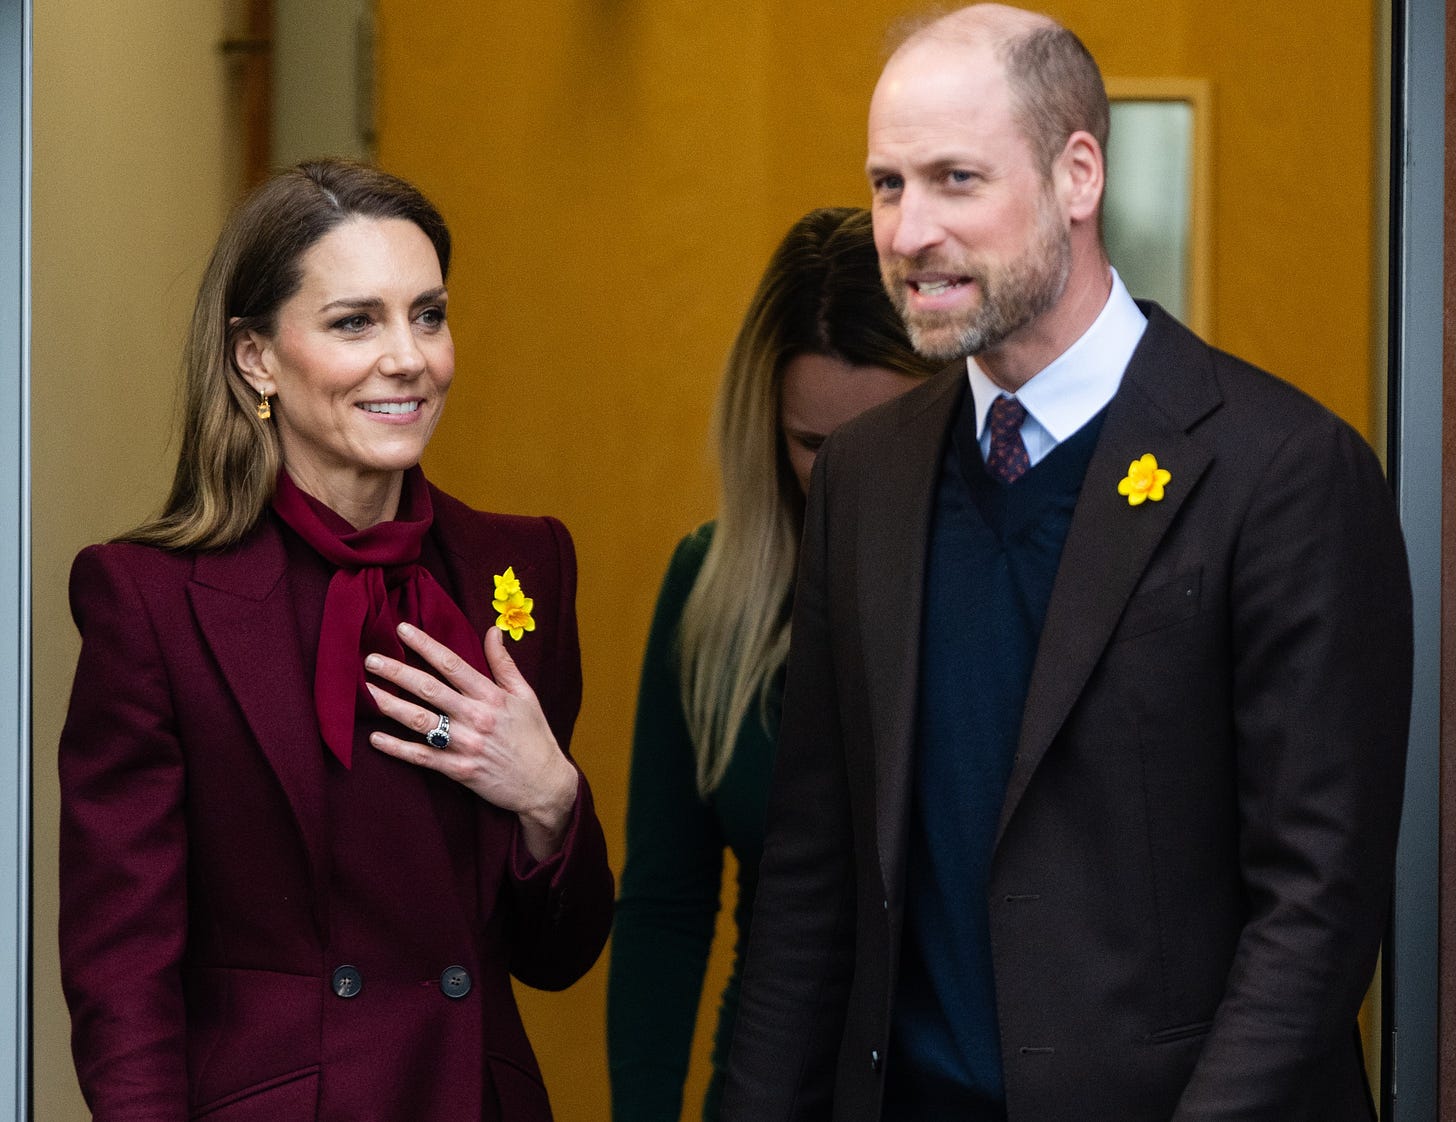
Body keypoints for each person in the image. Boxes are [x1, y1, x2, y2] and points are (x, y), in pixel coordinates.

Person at [721, 7, 1413, 1122]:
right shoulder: (866, 478)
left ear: (1076, 174)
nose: (905, 232)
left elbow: (1315, 913)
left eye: (954, 180)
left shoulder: (1282, 473)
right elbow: (809, 893)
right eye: (887, 185)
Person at [57, 158, 613, 1122]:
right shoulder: (147, 600)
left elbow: (558, 957)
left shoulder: (522, 571)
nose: (410, 357)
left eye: (429, 314)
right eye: (356, 321)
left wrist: (551, 801)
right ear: (255, 357)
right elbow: (123, 978)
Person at [607, 207, 938, 1120]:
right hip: (770, 1089)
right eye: (816, 450)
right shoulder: (713, 594)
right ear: (769, 429)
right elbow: (665, 909)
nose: (855, 480)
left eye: (889, 438)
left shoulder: (1006, 590)